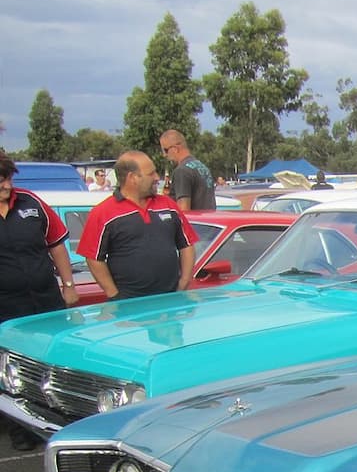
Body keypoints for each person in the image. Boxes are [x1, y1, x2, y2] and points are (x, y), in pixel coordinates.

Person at [0, 153, 80, 449]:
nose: (7, 186)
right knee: (10, 370)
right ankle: (20, 429)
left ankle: (61, 422)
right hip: (7, 308)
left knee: (53, 361)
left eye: (9, 178)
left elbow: (57, 245)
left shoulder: (31, 203)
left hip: (46, 301)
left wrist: (68, 284)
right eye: (1, 181)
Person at [76, 150, 197, 302]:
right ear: (132, 178)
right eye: (151, 173)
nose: (157, 178)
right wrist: (114, 295)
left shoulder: (168, 205)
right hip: (129, 305)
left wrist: (184, 282)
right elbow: (93, 257)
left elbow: (187, 245)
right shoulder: (103, 213)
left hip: (170, 300)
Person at [158, 130, 216, 211]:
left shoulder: (181, 171)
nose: (164, 155)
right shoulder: (202, 166)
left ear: (175, 149)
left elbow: (183, 211)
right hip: (208, 220)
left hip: (193, 223)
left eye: (165, 150)